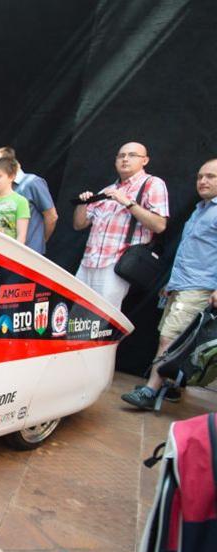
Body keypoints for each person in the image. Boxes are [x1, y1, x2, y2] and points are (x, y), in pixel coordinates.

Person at [121, 159, 217, 410]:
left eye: (211, 176)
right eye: (200, 176)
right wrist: (172, 283)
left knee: (169, 338)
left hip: (200, 286)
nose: (203, 181)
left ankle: (150, 391)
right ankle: (171, 387)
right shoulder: (200, 209)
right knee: (176, 338)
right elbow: (191, 252)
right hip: (183, 285)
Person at [73, 141, 169, 308]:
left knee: (102, 317)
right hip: (88, 262)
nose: (125, 159)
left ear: (145, 160)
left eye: (132, 155)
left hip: (116, 264)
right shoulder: (106, 190)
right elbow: (79, 225)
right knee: (77, 316)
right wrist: (83, 204)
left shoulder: (152, 184)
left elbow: (159, 225)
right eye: (121, 156)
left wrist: (127, 202)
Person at [0, 146, 57, 255]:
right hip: (4, 253)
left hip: (29, 253)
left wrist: (40, 241)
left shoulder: (32, 183)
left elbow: (51, 217)